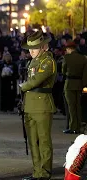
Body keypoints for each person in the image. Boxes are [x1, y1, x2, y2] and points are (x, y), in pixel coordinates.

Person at [20, 30, 57, 180]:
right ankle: (36, 172)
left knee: (44, 140)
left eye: (34, 48)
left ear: (42, 47)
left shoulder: (48, 61)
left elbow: (37, 80)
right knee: (33, 142)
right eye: (29, 49)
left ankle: (45, 172)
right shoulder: (32, 62)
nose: (31, 51)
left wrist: (22, 86)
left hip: (42, 105)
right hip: (29, 105)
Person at [62, 41, 87, 134]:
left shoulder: (67, 58)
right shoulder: (83, 58)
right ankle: (79, 126)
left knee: (71, 107)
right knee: (78, 106)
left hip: (69, 84)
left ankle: (73, 127)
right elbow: (85, 74)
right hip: (80, 84)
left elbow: (63, 71)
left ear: (69, 49)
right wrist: (83, 84)